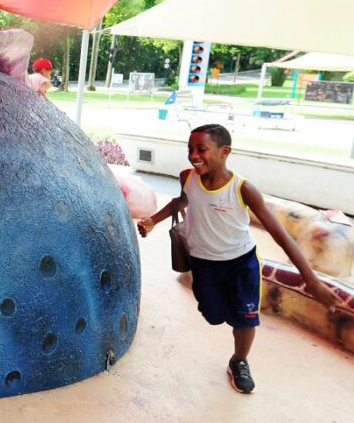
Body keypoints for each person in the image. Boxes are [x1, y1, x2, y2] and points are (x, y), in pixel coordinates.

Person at [138, 124, 342, 394]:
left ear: (225, 152)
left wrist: (312, 281)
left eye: (201, 149)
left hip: (241, 263)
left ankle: (239, 360)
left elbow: (281, 235)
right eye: (190, 149)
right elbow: (181, 202)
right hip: (204, 263)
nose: (193, 155)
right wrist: (153, 220)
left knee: (245, 318)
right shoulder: (188, 177)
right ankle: (236, 312)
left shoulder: (243, 189)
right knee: (212, 314)